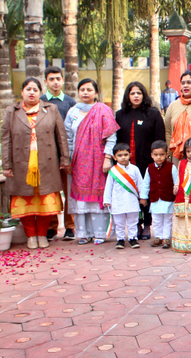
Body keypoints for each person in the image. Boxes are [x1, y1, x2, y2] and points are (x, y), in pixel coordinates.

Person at [1, 77, 70, 249]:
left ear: (41, 93)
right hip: (21, 163)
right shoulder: (12, 111)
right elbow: (5, 139)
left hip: (47, 162)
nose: (31, 93)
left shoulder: (51, 109)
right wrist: (6, 165)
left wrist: (64, 159)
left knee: (44, 201)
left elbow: (61, 136)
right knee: (25, 200)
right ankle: (30, 235)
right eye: (28, 89)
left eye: (35, 90)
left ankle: (42, 235)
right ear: (22, 92)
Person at [65, 78, 121, 245]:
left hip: (98, 161)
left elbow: (111, 137)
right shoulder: (73, 112)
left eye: (89, 89)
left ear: (96, 92)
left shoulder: (103, 110)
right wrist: (68, 159)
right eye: (82, 89)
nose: (85, 92)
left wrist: (107, 158)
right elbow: (68, 137)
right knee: (81, 198)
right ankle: (83, 233)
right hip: (78, 162)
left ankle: (99, 233)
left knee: (98, 195)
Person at [115, 81, 166, 240]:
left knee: (147, 192)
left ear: (143, 95)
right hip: (127, 163)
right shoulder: (120, 114)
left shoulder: (153, 113)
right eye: (132, 93)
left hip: (146, 161)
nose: (136, 96)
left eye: (139, 93)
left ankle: (147, 225)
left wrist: (158, 160)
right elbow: (116, 139)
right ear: (127, 96)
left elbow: (159, 138)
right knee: (131, 192)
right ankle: (135, 224)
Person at [41, 66, 77, 239]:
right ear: (46, 82)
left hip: (66, 154)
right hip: (46, 154)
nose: (55, 82)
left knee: (68, 189)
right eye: (51, 79)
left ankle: (70, 226)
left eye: (58, 78)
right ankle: (51, 226)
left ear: (63, 80)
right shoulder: (40, 102)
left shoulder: (70, 103)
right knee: (50, 191)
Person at [102, 143, 145, 249]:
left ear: (130, 154)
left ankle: (132, 238)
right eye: (120, 155)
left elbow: (141, 184)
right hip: (118, 201)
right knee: (119, 223)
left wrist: (143, 197)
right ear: (114, 157)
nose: (123, 157)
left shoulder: (135, 169)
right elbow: (108, 187)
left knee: (133, 221)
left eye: (125, 154)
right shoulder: (113, 171)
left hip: (132, 200)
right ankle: (120, 239)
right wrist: (107, 200)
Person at [165, 70, 191, 160]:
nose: (185, 85)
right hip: (176, 155)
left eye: (189, 82)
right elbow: (167, 131)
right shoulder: (173, 105)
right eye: (183, 83)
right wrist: (168, 153)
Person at [143, 141, 174, 248]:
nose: (159, 157)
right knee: (156, 219)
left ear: (166, 154)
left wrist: (177, 191)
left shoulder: (172, 167)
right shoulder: (149, 168)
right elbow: (145, 184)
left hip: (168, 198)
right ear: (151, 155)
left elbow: (177, 182)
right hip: (155, 198)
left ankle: (166, 238)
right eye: (156, 155)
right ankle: (158, 237)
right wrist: (143, 197)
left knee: (167, 219)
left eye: (161, 155)